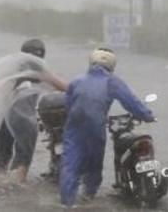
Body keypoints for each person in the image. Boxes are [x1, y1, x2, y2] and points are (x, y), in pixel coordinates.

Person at [59, 47, 154, 208]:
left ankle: (67, 204)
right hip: (95, 126)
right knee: (94, 163)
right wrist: (147, 115)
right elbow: (131, 102)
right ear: (112, 65)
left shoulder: (76, 81)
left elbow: (68, 106)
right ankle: (89, 197)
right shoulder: (112, 82)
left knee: (70, 164)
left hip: (74, 127)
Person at [0, 38, 68, 182]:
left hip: (3, 118)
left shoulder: (12, 70)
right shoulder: (38, 71)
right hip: (23, 118)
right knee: (23, 159)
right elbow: (64, 87)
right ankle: (18, 192)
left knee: (2, 158)